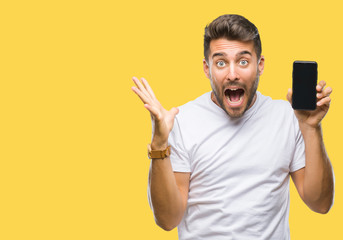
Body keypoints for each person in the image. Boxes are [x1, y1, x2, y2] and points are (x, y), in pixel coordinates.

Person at [131, 14, 334, 240]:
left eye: (243, 61)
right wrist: (159, 144)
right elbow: (168, 220)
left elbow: (320, 203)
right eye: (220, 63)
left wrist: (311, 128)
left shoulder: (288, 117)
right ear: (207, 69)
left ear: (260, 65)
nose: (232, 74)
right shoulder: (181, 120)